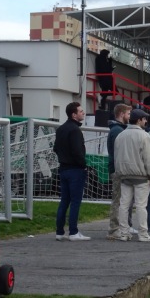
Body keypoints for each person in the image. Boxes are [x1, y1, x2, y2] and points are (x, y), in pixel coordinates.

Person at [114, 109, 150, 242]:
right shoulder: (144, 136)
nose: (146, 121)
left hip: (124, 175)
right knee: (141, 206)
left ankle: (124, 233)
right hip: (140, 176)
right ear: (139, 120)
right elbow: (149, 158)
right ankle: (143, 233)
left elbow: (116, 155)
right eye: (144, 119)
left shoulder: (121, 135)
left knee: (124, 205)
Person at [53, 102, 90, 241]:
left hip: (63, 168)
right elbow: (77, 151)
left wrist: (64, 158)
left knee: (64, 201)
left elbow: (55, 148)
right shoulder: (75, 130)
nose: (83, 113)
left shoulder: (61, 129)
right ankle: (73, 232)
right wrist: (83, 164)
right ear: (74, 114)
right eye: (80, 111)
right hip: (75, 169)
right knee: (75, 201)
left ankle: (59, 231)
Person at [106, 103, 132, 240]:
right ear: (122, 114)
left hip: (119, 168)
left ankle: (122, 226)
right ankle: (114, 229)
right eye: (128, 114)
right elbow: (120, 152)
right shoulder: (117, 131)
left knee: (122, 199)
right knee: (118, 200)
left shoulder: (118, 129)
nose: (130, 116)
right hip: (118, 169)